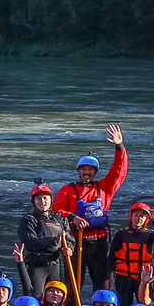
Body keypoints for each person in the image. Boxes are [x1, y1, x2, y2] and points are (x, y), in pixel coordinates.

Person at [53, 124, 129, 291]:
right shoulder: (67, 190)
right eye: (84, 169)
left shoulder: (105, 188)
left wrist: (119, 146)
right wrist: (73, 217)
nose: (87, 172)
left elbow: (119, 171)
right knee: (72, 284)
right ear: (78, 172)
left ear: (95, 172)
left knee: (101, 284)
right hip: (74, 242)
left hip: (99, 243)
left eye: (90, 169)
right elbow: (55, 212)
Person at [11, 184, 74, 298]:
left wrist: (70, 248)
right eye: (38, 199)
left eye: (45, 198)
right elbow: (30, 242)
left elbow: (69, 238)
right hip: (37, 264)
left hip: (55, 263)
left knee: (56, 299)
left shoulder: (60, 218)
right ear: (33, 202)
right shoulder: (29, 220)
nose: (42, 201)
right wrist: (54, 241)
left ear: (50, 200)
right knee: (35, 298)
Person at [108, 202, 154, 306]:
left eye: (142, 216)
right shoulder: (120, 234)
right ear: (131, 216)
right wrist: (107, 278)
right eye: (136, 215)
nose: (138, 218)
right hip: (123, 278)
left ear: (146, 219)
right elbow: (111, 257)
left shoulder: (150, 235)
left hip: (143, 278)